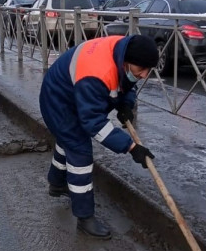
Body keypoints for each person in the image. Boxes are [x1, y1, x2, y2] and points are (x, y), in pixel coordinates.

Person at [39, 35, 159, 239]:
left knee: (66, 140)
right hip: (58, 101)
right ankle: (84, 217)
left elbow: (124, 82)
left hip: (71, 91)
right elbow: (94, 123)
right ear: (127, 62)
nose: (145, 74)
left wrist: (126, 104)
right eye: (142, 69)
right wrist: (130, 147)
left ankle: (57, 184)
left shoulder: (123, 50)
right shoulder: (97, 73)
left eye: (149, 69)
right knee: (80, 153)